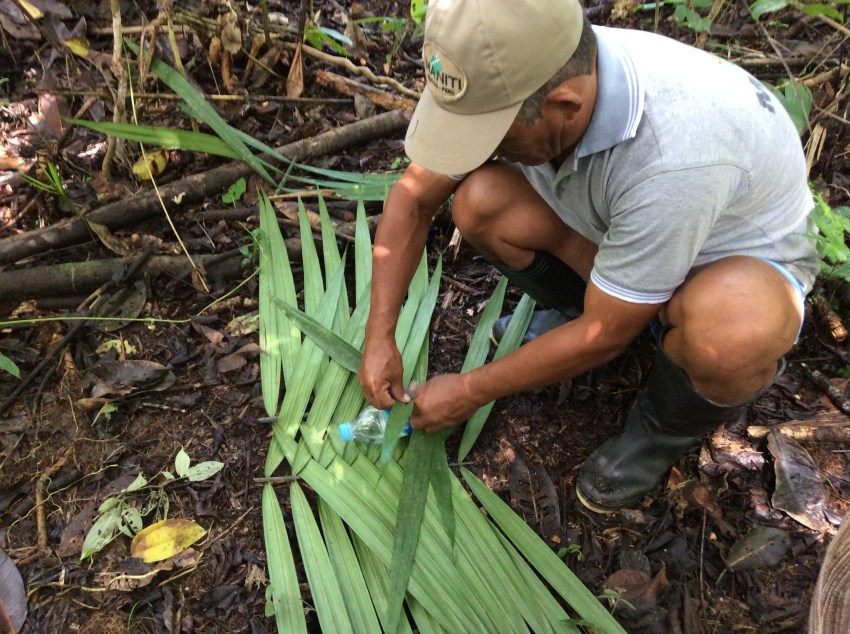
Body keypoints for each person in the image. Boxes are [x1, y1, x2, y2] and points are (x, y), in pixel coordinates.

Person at [358, 0, 818, 513]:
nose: (482, 149)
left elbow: (605, 334)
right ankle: (589, 306)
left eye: (495, 136)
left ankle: (662, 429)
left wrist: (468, 390)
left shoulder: (675, 156)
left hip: (718, 266)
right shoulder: (528, 63)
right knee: (482, 203)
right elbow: (414, 198)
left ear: (566, 107)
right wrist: (379, 336)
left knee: (733, 332)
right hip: (623, 237)